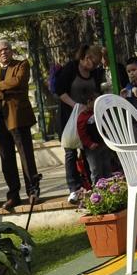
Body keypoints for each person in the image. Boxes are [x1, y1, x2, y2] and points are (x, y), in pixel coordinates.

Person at [0, 35, 39, 212]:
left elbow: (18, 82)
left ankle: (33, 190)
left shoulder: (21, 65)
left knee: (26, 155)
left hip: (17, 118)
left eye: (6, 49)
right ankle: (13, 195)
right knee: (6, 159)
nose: (3, 53)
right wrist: (3, 92)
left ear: (11, 51)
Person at [50, 45, 102, 205]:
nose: (92, 67)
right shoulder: (71, 68)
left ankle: (91, 185)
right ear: (85, 58)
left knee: (89, 152)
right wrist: (76, 106)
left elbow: (97, 88)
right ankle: (74, 187)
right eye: (92, 63)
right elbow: (60, 91)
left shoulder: (94, 73)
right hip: (70, 117)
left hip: (88, 119)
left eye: (95, 64)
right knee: (70, 152)